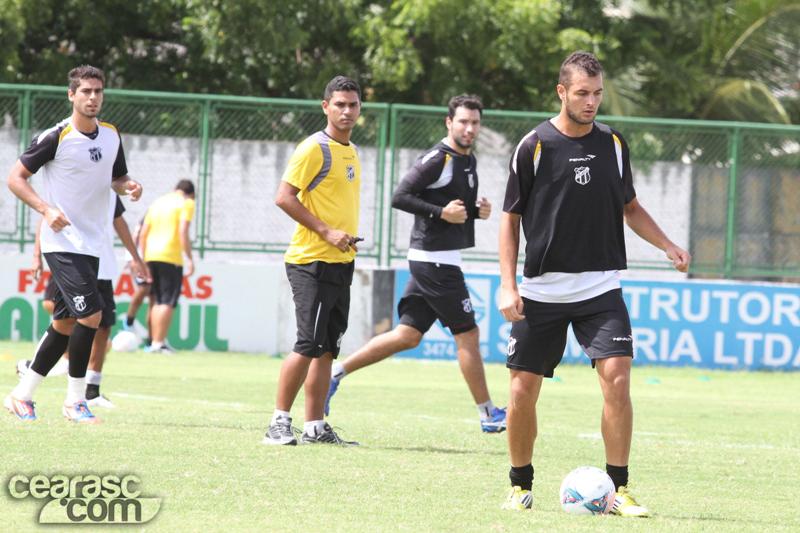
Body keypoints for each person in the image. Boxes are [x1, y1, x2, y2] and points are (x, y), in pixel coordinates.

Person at [497, 51, 691, 514]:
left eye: (597, 93)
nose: (591, 102)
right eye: (582, 93)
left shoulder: (614, 143)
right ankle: (519, 485)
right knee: (522, 389)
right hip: (542, 290)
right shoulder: (534, 145)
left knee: (617, 380)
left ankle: (619, 490)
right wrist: (507, 284)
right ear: (562, 92)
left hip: (600, 288)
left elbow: (631, 206)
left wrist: (667, 245)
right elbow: (509, 220)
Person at [325, 94, 507, 433]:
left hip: (436, 260)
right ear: (449, 123)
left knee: (407, 336)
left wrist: (477, 211)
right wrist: (441, 213)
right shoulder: (438, 158)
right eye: (463, 121)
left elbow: (454, 209)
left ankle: (334, 375)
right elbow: (400, 196)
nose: (470, 128)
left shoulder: (468, 160)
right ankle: (489, 415)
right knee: (468, 334)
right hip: (435, 262)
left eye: (475, 122)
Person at [4, 65, 145, 424]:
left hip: (93, 243)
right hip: (62, 242)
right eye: (85, 91)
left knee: (66, 324)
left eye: (98, 91)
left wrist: (129, 185)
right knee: (92, 317)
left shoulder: (111, 136)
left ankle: (22, 396)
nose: (93, 97)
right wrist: (46, 209)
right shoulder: (56, 136)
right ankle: (75, 401)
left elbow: (116, 178)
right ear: (72, 95)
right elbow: (15, 178)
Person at [263, 75, 363, 446]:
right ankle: (277, 422)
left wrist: (344, 237)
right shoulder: (313, 148)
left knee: (327, 348)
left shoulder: (351, 151)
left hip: (340, 261)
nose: (347, 110)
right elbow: (284, 197)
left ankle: (315, 427)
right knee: (308, 344)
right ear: (326, 107)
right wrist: (326, 232)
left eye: (353, 104)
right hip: (311, 262)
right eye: (339, 104)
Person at [20, 192, 150, 408]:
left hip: (103, 266)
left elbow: (120, 223)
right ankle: (50, 382)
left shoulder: (109, 190)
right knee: (72, 319)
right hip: (73, 262)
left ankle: (90, 391)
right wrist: (37, 255)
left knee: (103, 327)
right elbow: (46, 215)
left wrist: (136, 258)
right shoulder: (75, 184)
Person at [139, 180, 195, 354]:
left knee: (157, 300)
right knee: (168, 301)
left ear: (174, 189)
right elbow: (182, 231)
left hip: (151, 255)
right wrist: (190, 258)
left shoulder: (158, 201)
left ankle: (155, 343)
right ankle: (159, 343)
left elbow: (143, 233)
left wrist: (143, 258)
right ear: (191, 194)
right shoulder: (187, 202)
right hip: (170, 256)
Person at [122, 215, 155, 348]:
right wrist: (133, 259)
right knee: (144, 288)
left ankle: (151, 341)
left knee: (154, 299)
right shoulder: (146, 219)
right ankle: (129, 319)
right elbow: (135, 237)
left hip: (156, 260)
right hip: (139, 259)